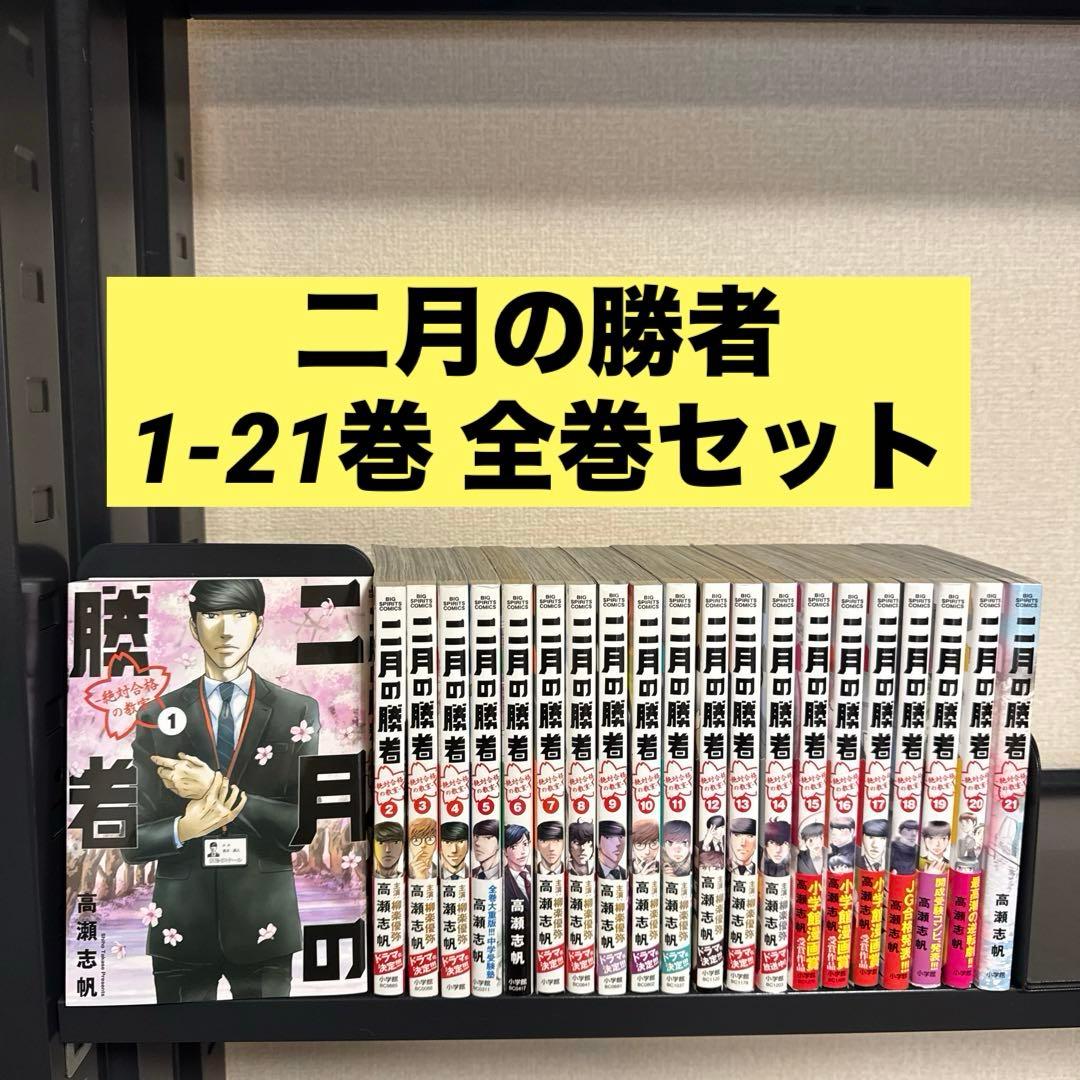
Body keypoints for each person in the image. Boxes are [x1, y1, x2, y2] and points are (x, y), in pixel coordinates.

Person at [126, 577, 318, 1002]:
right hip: (182, 922)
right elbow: (130, 840)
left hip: (264, 920)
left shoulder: (297, 711)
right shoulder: (156, 714)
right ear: (193, 626)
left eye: (240, 615)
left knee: (273, 1038)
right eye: (211, 615)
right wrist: (183, 829)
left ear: (259, 623)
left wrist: (213, 787)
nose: (226, 630)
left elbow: (300, 827)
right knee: (177, 1038)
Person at [504, 824, 532, 904]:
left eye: (525, 844)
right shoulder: (502, 878)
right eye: (514, 846)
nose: (523, 851)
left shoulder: (534, 870)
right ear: (505, 851)